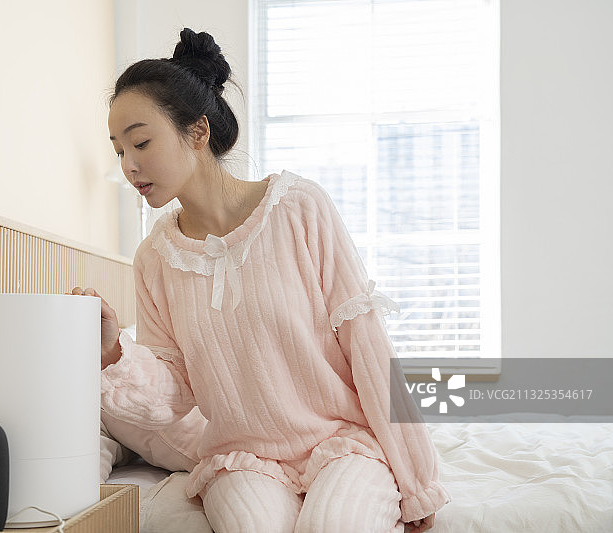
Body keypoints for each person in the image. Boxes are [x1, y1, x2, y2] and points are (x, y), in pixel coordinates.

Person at [74, 28, 450, 533]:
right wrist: (113, 353)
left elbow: (367, 346)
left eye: (140, 142)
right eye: (119, 151)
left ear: (199, 131)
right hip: (242, 460)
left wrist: (418, 481)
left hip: (343, 443)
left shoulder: (298, 208)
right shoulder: (154, 259)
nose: (129, 165)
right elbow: (175, 394)